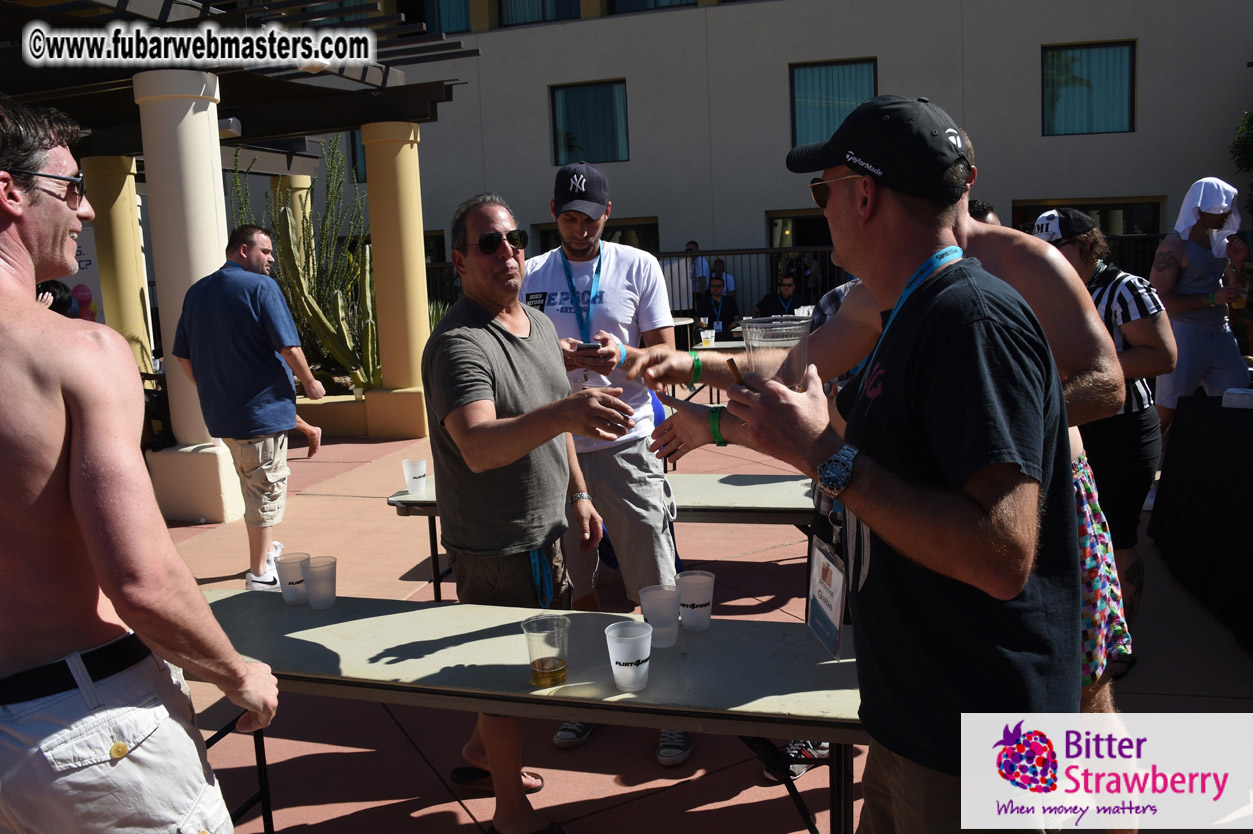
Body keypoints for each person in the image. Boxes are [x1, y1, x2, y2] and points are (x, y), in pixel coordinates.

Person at [646, 97, 1083, 825]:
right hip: (915, 718)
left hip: (975, 740)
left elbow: (1001, 553)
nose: (820, 211)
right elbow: (862, 450)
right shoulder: (912, 314)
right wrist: (740, 426)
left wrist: (823, 455)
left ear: (863, 195)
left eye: (821, 192)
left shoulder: (969, 320)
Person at [0, 94, 278, 833]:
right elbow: (141, 581)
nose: (87, 212)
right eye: (70, 190)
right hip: (85, 729)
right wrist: (236, 671)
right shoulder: (75, 351)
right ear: (8, 193)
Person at [423, 193, 634, 834]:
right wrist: (568, 412)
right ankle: (510, 811)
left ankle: (482, 751)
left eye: (514, 239)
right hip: (497, 544)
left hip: (548, 530)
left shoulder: (536, 325)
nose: (508, 252)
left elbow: (555, 418)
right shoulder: (459, 344)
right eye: (488, 243)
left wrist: (578, 494)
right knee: (507, 682)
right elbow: (480, 447)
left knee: (539, 667)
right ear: (459, 260)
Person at [520, 162, 691, 765]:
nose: (579, 229)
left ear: (607, 216)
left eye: (589, 220)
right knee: (577, 586)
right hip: (560, 452)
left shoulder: (637, 267)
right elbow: (518, 356)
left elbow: (667, 356)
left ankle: (672, 702)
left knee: (656, 580)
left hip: (627, 445)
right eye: (569, 218)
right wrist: (553, 359)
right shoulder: (533, 273)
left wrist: (626, 355)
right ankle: (586, 699)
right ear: (554, 214)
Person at [1035, 207, 1177, 677]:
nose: (1049, 254)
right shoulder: (1045, 288)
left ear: (1088, 243)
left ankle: (1119, 647)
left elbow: (1162, 355)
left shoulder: (1125, 288)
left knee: (1116, 536)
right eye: (1043, 245)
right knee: (1073, 536)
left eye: (1060, 245)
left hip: (1123, 427)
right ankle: (1085, 636)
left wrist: (1092, 366)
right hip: (1072, 424)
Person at [172, 224, 326, 591]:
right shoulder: (261, 288)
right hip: (260, 416)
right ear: (243, 250)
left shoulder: (197, 292)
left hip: (225, 416)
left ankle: (264, 548)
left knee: (253, 483)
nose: (272, 259)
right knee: (265, 489)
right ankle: (260, 573)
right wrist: (310, 382)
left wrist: (212, 388)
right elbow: (289, 346)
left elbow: (182, 356)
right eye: (266, 251)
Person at [1149, 177, 1249, 436]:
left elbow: (1236, 290)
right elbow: (1159, 301)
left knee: (1238, 401)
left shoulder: (1221, 243)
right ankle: (1145, 470)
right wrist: (1213, 298)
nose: (1225, 214)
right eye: (1220, 209)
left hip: (1221, 333)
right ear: (1201, 208)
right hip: (1184, 335)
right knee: (1167, 410)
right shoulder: (1174, 246)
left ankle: (1228, 469)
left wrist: (1237, 265)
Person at [694, 273, 740, 341]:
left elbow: (737, 318)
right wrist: (698, 323)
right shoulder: (704, 302)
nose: (715, 288)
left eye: (718, 286)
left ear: (722, 287)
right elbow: (696, 318)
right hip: (709, 332)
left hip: (727, 331)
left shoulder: (730, 301)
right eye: (712, 286)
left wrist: (735, 323)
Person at [685, 239, 710, 311]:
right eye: (687, 250)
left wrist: (700, 298)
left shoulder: (700, 262)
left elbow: (702, 281)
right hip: (694, 293)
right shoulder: (693, 262)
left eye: (690, 249)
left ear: (697, 249)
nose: (689, 252)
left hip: (699, 293)